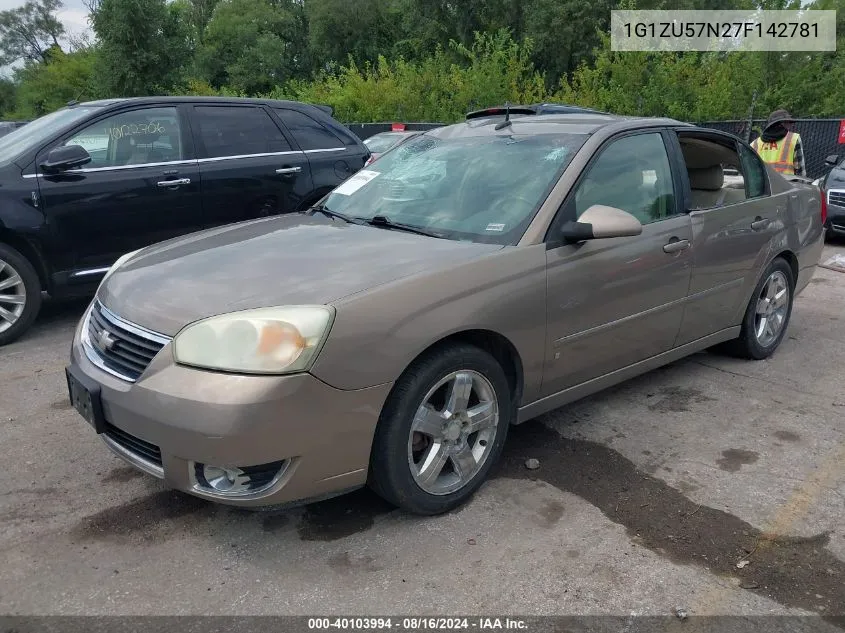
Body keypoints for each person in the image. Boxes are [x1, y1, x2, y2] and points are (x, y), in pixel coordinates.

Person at [750, 109, 806, 176]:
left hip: (762, 185)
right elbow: (800, 170)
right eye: (789, 122)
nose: (791, 125)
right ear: (782, 123)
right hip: (786, 185)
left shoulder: (754, 144)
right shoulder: (793, 139)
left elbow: (750, 170)